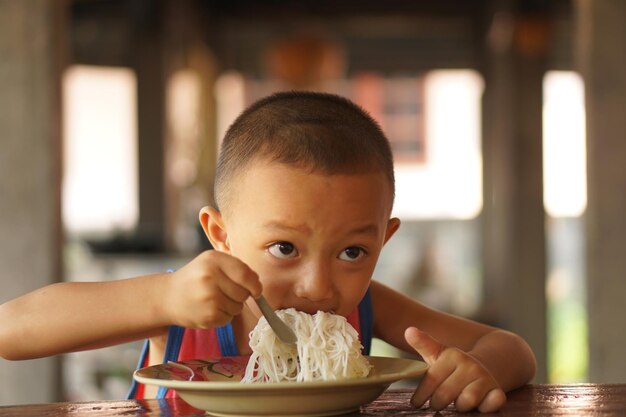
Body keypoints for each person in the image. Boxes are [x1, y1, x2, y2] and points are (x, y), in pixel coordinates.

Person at [0, 91, 535, 412]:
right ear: (221, 235)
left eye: (352, 252)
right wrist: (162, 296)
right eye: (284, 248)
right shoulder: (186, 311)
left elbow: (511, 349)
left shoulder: (369, 306)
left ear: (384, 240)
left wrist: (477, 369)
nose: (319, 287)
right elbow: (12, 330)